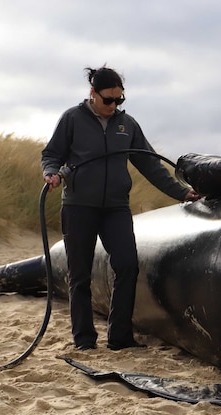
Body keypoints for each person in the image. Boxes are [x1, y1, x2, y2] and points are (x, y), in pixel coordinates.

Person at [41, 66, 201, 351]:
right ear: (93, 93)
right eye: (108, 100)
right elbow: (51, 154)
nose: (114, 106)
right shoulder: (72, 119)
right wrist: (51, 172)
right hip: (79, 207)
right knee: (79, 274)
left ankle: (120, 337)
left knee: (127, 266)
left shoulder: (127, 125)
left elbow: (150, 164)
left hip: (115, 208)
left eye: (119, 100)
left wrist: (182, 192)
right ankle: (84, 340)